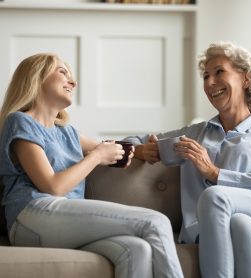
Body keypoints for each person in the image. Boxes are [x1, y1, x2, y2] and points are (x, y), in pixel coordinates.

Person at [125, 41, 251, 278]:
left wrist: (215, 174)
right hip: (213, 226)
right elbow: (132, 140)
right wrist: (141, 150)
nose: (209, 83)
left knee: (215, 195)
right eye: (206, 76)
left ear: (245, 78)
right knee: (241, 225)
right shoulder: (195, 134)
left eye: (219, 72)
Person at [0, 53, 184, 278]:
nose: (73, 81)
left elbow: (110, 148)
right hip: (31, 216)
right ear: (36, 77)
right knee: (156, 222)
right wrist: (96, 156)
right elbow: (52, 186)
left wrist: (143, 151)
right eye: (62, 72)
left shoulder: (67, 132)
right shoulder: (20, 121)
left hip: (62, 222)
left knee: (137, 250)